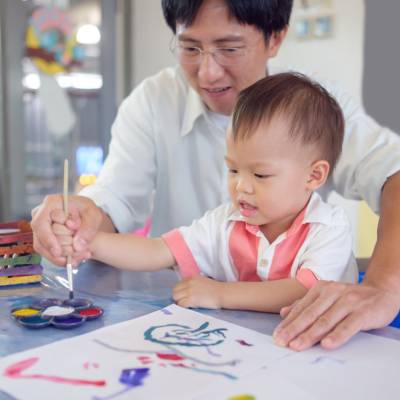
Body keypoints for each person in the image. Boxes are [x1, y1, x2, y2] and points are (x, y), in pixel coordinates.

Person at [31, 0, 400, 350]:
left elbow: (393, 172)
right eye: (190, 48)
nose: (207, 72)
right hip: (207, 332)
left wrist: (384, 287)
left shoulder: (314, 119)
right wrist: (84, 232)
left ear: (276, 37)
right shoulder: (224, 217)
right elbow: (138, 226)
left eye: (229, 48)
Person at [52, 73, 358, 312]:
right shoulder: (226, 222)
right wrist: (87, 240)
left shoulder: (328, 228)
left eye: (261, 174)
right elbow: (158, 250)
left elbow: (303, 291)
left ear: (314, 175)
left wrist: (221, 293)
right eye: (234, 170)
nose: (242, 186)